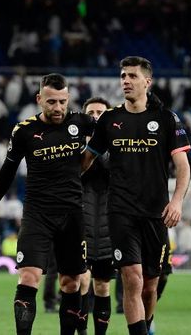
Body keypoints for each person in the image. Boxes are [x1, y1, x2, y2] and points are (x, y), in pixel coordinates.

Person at [82, 56, 191, 335]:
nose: (126, 81)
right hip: (120, 212)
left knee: (150, 285)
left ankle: (148, 324)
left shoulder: (166, 119)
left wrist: (177, 201)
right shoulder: (110, 119)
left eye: (132, 76)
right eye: (123, 76)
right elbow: (86, 160)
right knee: (132, 277)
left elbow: (183, 166)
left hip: (156, 213)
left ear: (147, 81)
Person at [0, 73, 94, 335]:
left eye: (62, 102)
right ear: (39, 99)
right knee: (29, 277)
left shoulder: (82, 122)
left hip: (72, 214)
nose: (58, 108)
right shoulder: (24, 131)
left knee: (70, 282)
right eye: (51, 102)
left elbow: (114, 128)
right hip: (37, 215)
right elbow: (7, 171)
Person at [77, 97, 113, 335]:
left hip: (109, 222)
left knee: (102, 285)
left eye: (101, 112)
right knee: (81, 282)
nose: (96, 116)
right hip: (82, 220)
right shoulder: (74, 142)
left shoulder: (118, 144)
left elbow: (113, 171)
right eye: (92, 112)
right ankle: (80, 331)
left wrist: (98, 146)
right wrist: (89, 145)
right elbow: (76, 172)